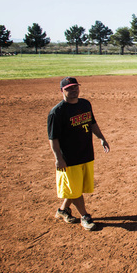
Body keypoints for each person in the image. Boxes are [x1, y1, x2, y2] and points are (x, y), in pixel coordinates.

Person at [48, 77, 109, 231]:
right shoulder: (57, 112)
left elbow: (92, 123)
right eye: (69, 88)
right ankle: (85, 216)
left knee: (76, 187)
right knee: (74, 188)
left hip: (86, 153)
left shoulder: (85, 104)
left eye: (75, 87)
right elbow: (53, 138)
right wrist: (58, 159)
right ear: (62, 90)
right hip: (69, 159)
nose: (73, 90)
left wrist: (101, 138)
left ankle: (62, 211)